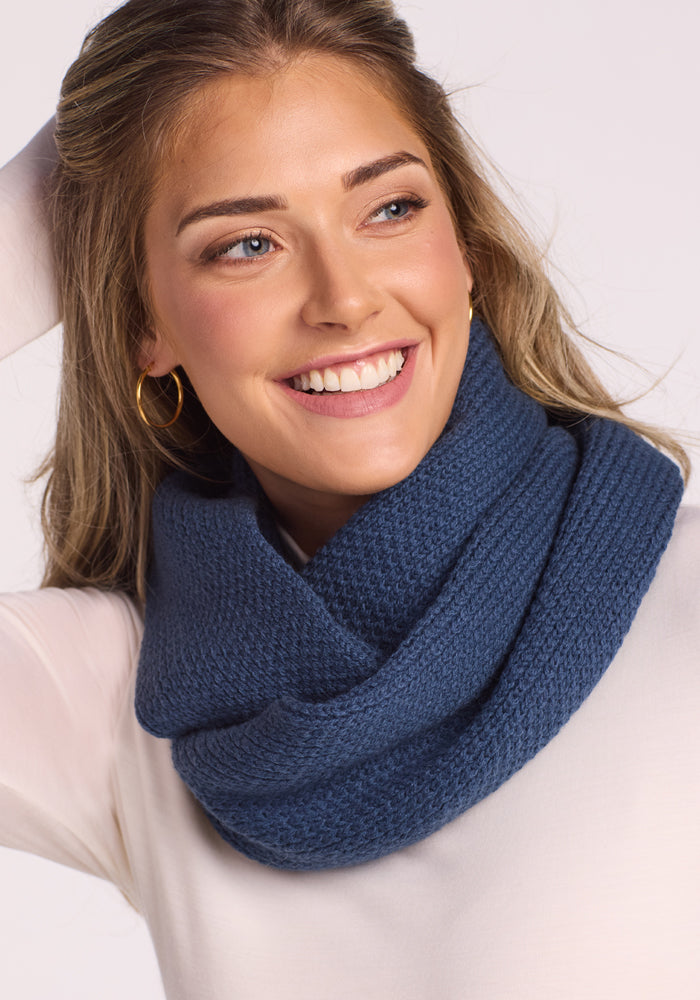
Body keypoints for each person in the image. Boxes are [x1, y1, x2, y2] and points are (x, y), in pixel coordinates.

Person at [1, 0, 698, 996]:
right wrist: (50, 201)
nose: (345, 298)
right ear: (141, 326)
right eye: (246, 244)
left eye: (390, 209)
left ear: (465, 246)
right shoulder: (130, 701)